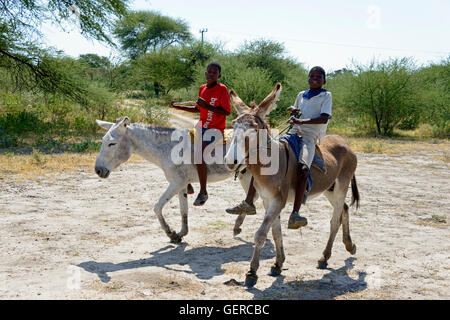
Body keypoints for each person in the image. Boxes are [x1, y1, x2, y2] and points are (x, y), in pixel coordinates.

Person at [226, 66, 332, 230]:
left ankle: (295, 213)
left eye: (318, 77)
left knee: (304, 168)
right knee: (262, 157)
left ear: (324, 80)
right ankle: (248, 202)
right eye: (312, 76)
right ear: (308, 78)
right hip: (293, 133)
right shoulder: (301, 95)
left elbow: (324, 118)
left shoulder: (326, 96)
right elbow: (296, 114)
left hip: (309, 137)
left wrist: (301, 122)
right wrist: (294, 113)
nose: (314, 79)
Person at [170, 62, 231, 206]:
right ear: (205, 73)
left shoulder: (222, 89)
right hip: (201, 126)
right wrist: (177, 106)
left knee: (199, 155)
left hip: (215, 129)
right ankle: (187, 183)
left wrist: (208, 106)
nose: (211, 74)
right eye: (209, 72)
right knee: (181, 145)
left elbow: (227, 111)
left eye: (214, 72)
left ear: (219, 75)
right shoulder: (202, 88)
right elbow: (199, 109)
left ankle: (203, 192)